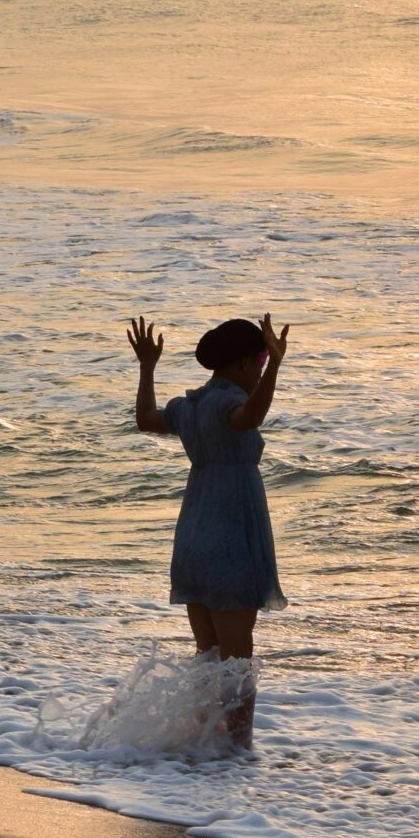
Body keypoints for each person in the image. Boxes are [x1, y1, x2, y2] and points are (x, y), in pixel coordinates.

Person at [126, 312, 290, 744]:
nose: (259, 365)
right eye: (256, 357)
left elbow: (145, 418)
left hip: (194, 535)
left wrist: (147, 366)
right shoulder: (224, 404)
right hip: (231, 535)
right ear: (239, 362)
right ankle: (235, 750)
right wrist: (277, 363)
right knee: (237, 659)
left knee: (210, 656)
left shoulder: (190, 405)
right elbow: (250, 417)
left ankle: (198, 750)